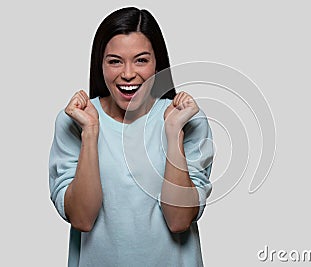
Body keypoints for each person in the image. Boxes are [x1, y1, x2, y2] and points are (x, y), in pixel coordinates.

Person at [49, 7, 213, 266]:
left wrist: (173, 133)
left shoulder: (185, 118)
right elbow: (82, 219)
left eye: (141, 60)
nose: (127, 74)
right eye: (115, 61)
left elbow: (179, 220)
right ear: (100, 64)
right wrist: (91, 133)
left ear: (157, 62)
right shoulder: (76, 120)